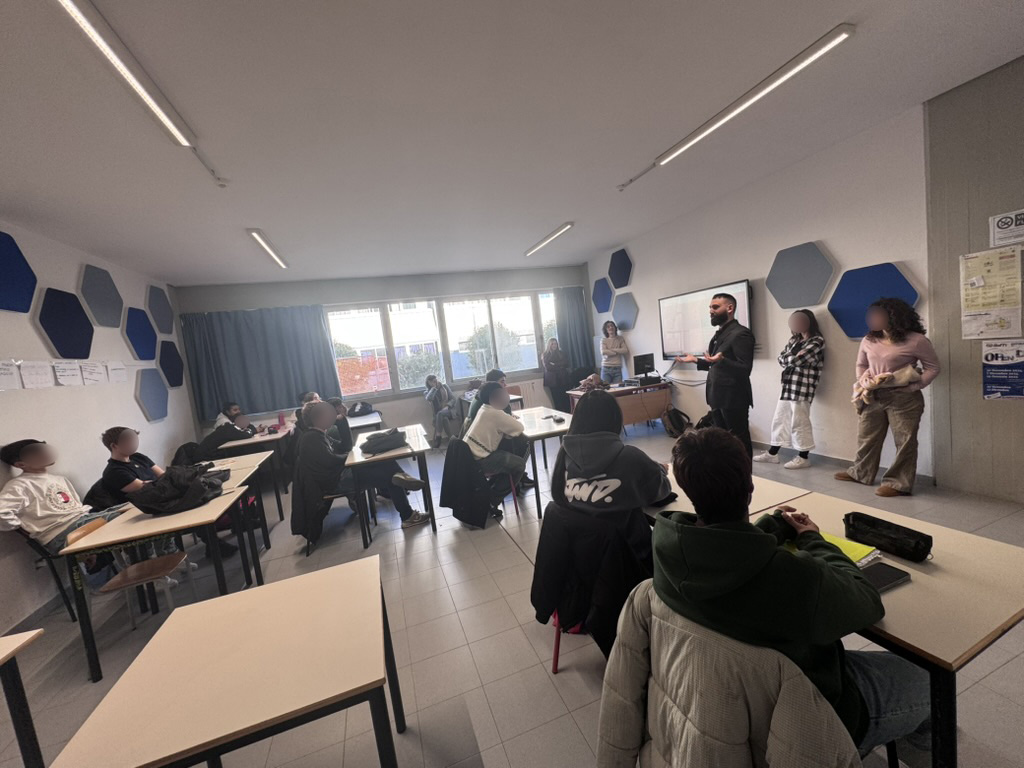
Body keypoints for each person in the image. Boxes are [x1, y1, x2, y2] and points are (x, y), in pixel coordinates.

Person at [658, 427, 931, 756]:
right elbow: (866, 601)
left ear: (687, 487)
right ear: (750, 488)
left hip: (726, 701)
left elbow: (729, 549)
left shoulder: (669, 550)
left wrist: (771, 527)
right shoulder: (792, 578)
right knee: (929, 683)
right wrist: (812, 539)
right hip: (813, 711)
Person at [550, 389, 671, 562]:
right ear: (615, 419)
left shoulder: (564, 455)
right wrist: (661, 470)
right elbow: (660, 491)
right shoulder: (630, 457)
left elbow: (557, 495)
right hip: (630, 558)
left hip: (582, 556)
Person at [836, 298, 939, 497]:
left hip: (903, 398)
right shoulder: (868, 339)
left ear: (894, 316)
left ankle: (898, 483)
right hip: (872, 395)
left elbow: (933, 368)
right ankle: (860, 473)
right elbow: (861, 364)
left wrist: (914, 387)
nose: (872, 319)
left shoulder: (917, 340)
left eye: (878, 315)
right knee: (867, 436)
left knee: (905, 441)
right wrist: (863, 380)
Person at [100, 426, 236, 559]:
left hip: (163, 497)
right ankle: (213, 546)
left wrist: (163, 481)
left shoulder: (139, 457)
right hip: (144, 509)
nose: (134, 443)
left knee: (199, 496)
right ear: (114, 446)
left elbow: (164, 476)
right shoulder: (114, 471)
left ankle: (215, 543)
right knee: (190, 504)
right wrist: (162, 482)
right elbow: (145, 489)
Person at [297, 400, 430, 529]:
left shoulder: (320, 434)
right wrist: (352, 457)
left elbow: (346, 446)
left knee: (385, 462)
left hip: (340, 475)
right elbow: (331, 460)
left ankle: (403, 480)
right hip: (335, 482)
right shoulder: (311, 438)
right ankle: (407, 513)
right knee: (390, 475)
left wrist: (341, 420)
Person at [0, 440, 124, 555]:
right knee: (122, 518)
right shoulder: (20, 485)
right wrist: (24, 527)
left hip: (83, 521)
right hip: (61, 534)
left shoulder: (60, 479)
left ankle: (131, 564)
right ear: (21, 464)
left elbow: (76, 507)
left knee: (129, 508)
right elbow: (2, 513)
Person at [676, 293, 755, 457]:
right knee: (722, 442)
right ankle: (726, 470)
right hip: (717, 396)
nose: (711, 311)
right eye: (710, 307)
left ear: (730, 308)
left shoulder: (741, 334)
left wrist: (723, 360)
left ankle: (745, 470)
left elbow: (745, 368)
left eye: (715, 307)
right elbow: (715, 365)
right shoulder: (720, 334)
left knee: (739, 441)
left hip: (733, 398)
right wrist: (696, 360)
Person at [754, 309, 826, 469]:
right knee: (779, 418)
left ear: (809, 322)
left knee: (800, 421)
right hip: (787, 385)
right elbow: (781, 359)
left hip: (803, 386)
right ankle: (773, 453)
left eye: (800, 320)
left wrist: (790, 357)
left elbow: (798, 360)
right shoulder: (794, 340)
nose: (797, 324)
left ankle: (803, 457)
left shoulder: (817, 341)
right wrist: (792, 357)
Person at [463, 382, 529, 494]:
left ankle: (489, 490)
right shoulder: (495, 413)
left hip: (471, 457)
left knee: (510, 462)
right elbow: (519, 428)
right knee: (519, 465)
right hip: (482, 460)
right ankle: (493, 498)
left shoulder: (484, 408)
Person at [424, 375, 458, 448]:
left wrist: (447, 406)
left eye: (436, 380)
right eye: (433, 381)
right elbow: (429, 399)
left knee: (440, 414)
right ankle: (452, 439)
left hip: (449, 410)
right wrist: (434, 388)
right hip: (439, 414)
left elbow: (453, 399)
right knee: (443, 417)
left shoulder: (444, 387)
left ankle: (438, 437)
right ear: (428, 383)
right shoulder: (427, 392)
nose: (435, 382)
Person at [542, 338, 571, 412]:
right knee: (557, 400)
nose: (554, 345)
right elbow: (548, 367)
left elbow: (566, 363)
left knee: (566, 399)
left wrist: (554, 364)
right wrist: (559, 366)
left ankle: (568, 413)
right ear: (549, 345)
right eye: (552, 344)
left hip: (563, 379)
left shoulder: (561, 353)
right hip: (553, 381)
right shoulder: (546, 354)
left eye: (555, 343)